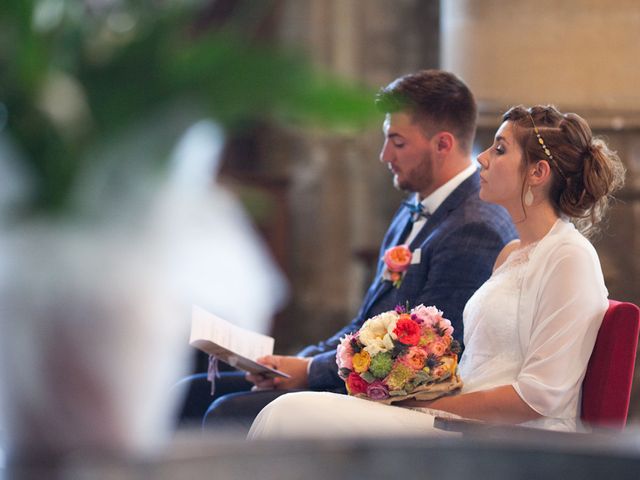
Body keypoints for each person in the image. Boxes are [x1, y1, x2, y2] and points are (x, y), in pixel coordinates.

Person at [247, 104, 626, 438]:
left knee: (290, 414)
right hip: (459, 419)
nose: (482, 159)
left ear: (538, 172)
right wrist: (411, 391)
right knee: (291, 411)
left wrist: (427, 410)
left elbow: (538, 397)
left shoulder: (569, 257)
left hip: (514, 438)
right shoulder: (511, 252)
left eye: (499, 148)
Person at [180, 69, 517, 431]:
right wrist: (297, 360)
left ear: (443, 144)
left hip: (399, 395)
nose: (384, 154)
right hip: (359, 371)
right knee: (191, 392)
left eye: (397, 142)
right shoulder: (415, 205)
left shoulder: (473, 225)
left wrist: (310, 371)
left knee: (225, 412)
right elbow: (367, 323)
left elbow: (431, 357)